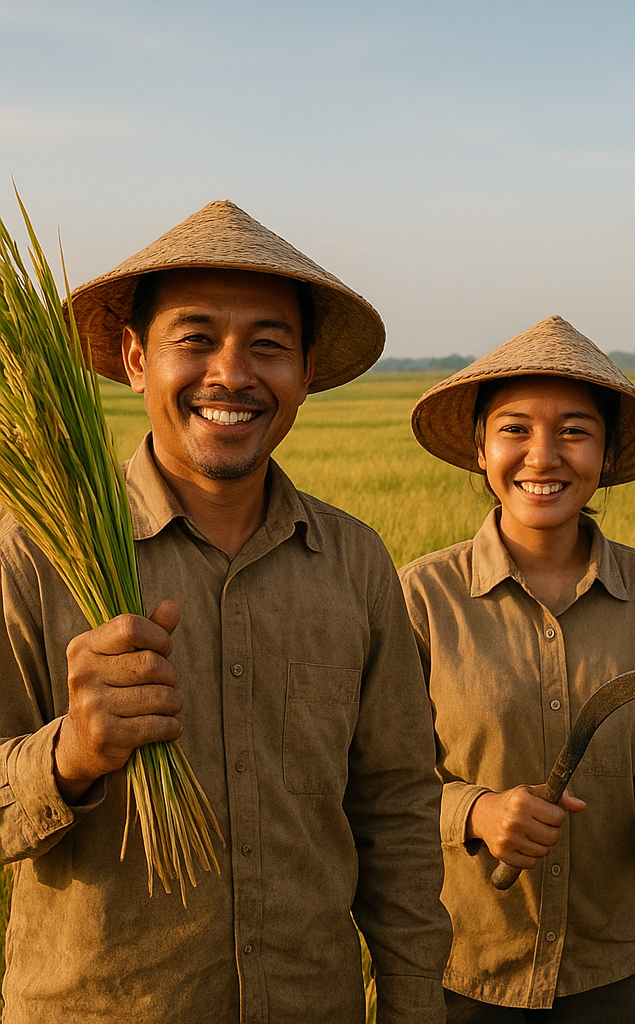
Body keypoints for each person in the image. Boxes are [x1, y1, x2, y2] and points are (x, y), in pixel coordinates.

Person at [0, 200, 450, 1023]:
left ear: (307, 370)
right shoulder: (35, 552)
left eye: (269, 345)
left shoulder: (355, 563)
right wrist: (69, 753)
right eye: (195, 338)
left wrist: (415, 1002)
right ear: (137, 358)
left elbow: (396, 809)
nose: (232, 374)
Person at [399, 315, 635, 1024]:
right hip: (462, 966)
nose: (543, 456)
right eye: (514, 429)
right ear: (481, 449)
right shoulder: (421, 597)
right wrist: (476, 812)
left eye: (574, 430)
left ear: (605, 454)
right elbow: (379, 778)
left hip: (611, 963)